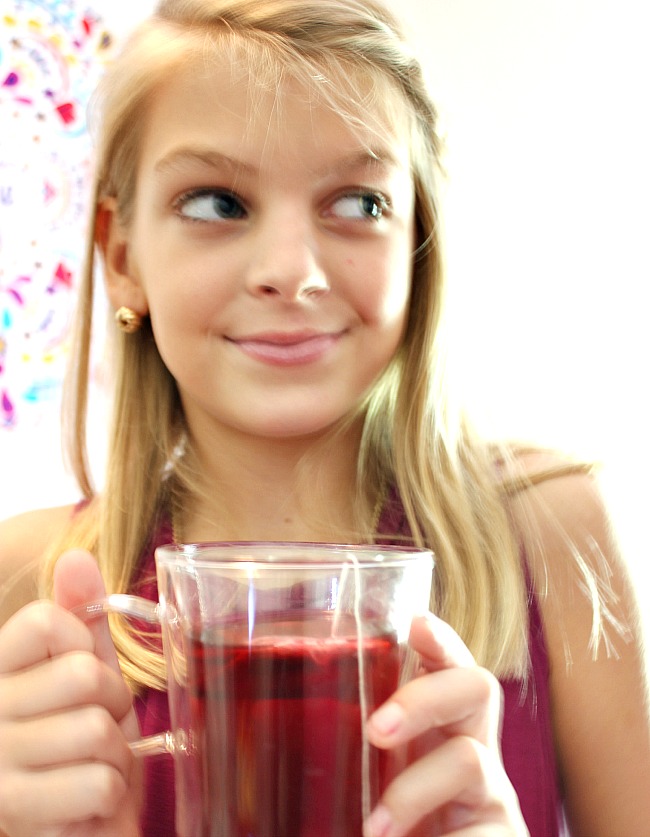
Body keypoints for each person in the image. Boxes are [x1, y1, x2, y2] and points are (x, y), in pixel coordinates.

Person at [0, 0, 648, 834]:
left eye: (359, 202)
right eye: (217, 204)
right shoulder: (29, 580)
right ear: (122, 257)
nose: (291, 271)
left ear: (420, 245)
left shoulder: (551, 529)